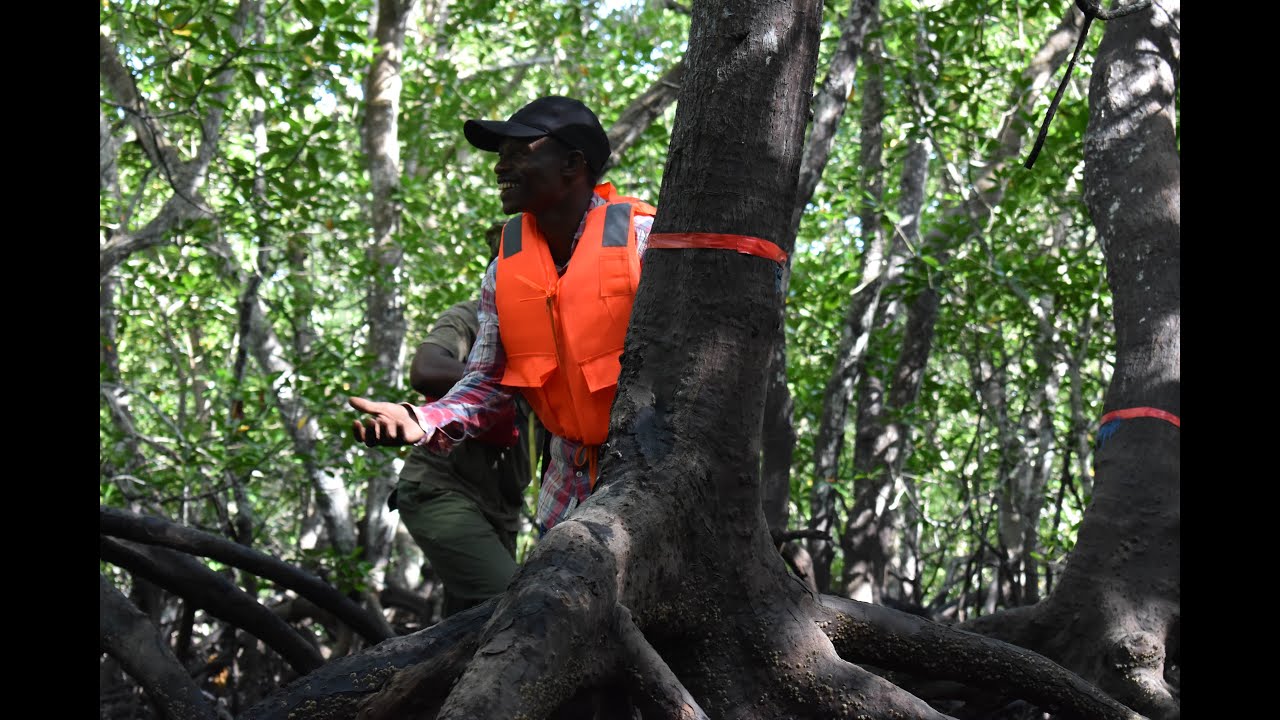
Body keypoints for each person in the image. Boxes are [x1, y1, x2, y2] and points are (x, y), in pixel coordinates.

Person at [350, 95, 656, 534]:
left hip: (644, 474)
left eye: (517, 154)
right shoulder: (505, 269)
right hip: (565, 485)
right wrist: (421, 420)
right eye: (500, 157)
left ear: (572, 164)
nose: (499, 167)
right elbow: (486, 381)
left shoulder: (641, 241)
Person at [393, 283, 538, 617]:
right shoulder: (470, 319)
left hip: (501, 511)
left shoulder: (548, 327)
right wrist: (505, 381)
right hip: (443, 491)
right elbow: (425, 369)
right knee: (515, 608)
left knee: (470, 628)